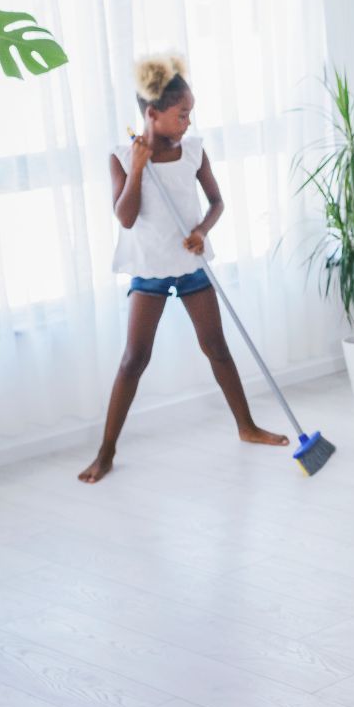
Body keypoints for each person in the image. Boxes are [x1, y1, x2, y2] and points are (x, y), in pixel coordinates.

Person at [78, 54, 288, 483]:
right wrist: (138, 169)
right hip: (150, 269)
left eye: (190, 113)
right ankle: (106, 451)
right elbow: (125, 217)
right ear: (153, 114)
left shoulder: (193, 150)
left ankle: (246, 427)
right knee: (134, 359)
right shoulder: (122, 156)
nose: (188, 122)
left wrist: (202, 231)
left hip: (191, 264)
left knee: (217, 347)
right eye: (181, 114)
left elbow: (217, 202)